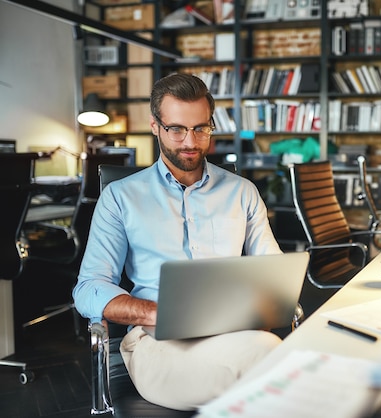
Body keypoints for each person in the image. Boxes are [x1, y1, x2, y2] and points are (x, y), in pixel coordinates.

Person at [72, 73, 283, 411]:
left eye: (201, 128)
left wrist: (254, 309)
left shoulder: (242, 192)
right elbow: (88, 289)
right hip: (157, 343)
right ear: (155, 126)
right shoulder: (120, 197)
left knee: (269, 351)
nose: (190, 141)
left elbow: (274, 277)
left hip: (233, 335)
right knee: (273, 367)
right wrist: (161, 313)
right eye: (177, 129)